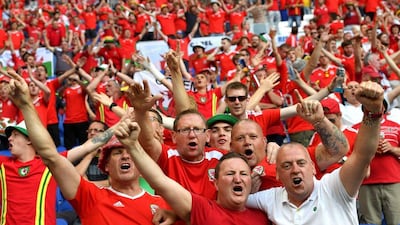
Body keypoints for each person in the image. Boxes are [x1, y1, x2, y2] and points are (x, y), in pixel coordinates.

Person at [5, 67, 172, 225]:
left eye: (131, 152)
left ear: (143, 165)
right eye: (117, 152)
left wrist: (140, 114)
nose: (126, 156)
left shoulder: (166, 206)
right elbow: (50, 155)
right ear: (105, 165)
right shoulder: (89, 196)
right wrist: (26, 105)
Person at [246, 81, 385, 224]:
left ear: (313, 167)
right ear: (277, 174)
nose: (295, 170)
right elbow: (229, 198)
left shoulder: (334, 188)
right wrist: (248, 188)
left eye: (301, 163)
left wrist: (372, 112)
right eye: (287, 166)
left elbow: (363, 155)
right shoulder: (270, 199)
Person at [114, 119, 269, 224]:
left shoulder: (265, 215)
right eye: (230, 174)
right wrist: (133, 147)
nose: (237, 179)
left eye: (243, 174)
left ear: (251, 179)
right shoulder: (203, 209)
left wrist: (274, 147)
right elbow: (160, 181)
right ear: (215, 182)